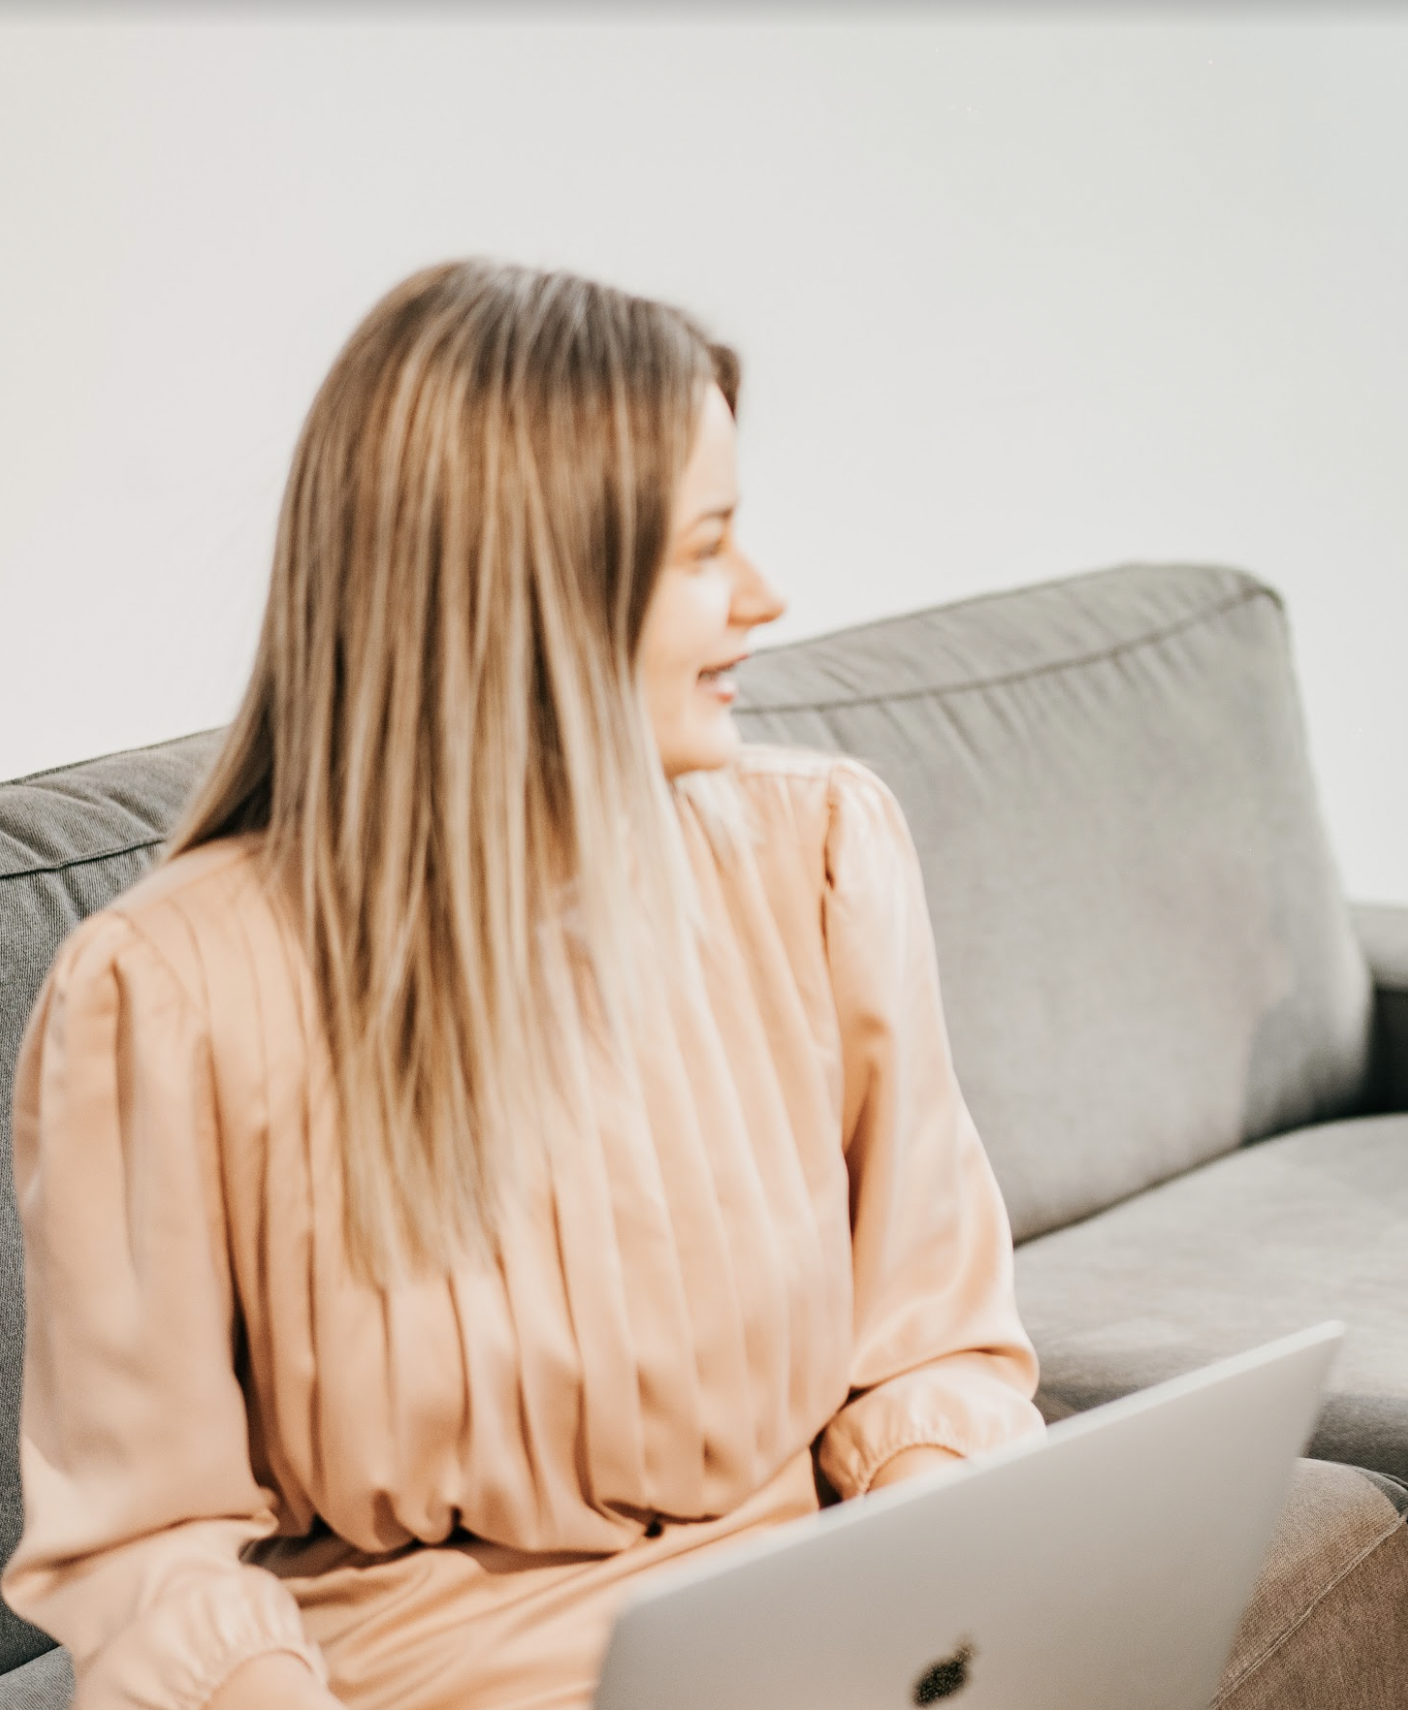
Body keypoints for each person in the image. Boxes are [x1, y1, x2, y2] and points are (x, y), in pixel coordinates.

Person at [4, 262, 1044, 1710]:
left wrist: (931, 1596)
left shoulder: (820, 854)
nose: (765, 595)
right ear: (532, 591)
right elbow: (147, 1547)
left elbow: (933, 1343)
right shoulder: (163, 989)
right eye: (705, 549)